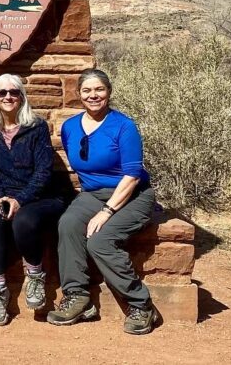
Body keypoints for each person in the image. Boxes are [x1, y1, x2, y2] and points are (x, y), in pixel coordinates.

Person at [47, 68, 158, 335]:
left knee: (101, 240)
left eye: (99, 89)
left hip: (132, 194)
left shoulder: (124, 126)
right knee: (68, 224)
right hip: (92, 194)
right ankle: (77, 297)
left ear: (108, 92)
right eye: (87, 90)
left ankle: (140, 304)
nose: (93, 95)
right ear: (79, 94)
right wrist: (93, 207)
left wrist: (105, 212)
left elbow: (132, 176)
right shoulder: (70, 127)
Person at [0, 74, 65, 325]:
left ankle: (36, 275)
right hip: (4, 194)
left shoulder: (36, 127)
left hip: (41, 196)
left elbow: (43, 172)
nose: (8, 97)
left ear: (22, 96)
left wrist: (20, 199)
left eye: (13, 92)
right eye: (2, 93)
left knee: (23, 221)